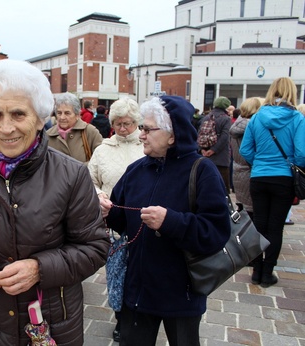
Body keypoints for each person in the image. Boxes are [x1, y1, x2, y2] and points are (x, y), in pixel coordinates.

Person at [0, 59, 110, 345]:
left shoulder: (72, 174)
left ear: (40, 117)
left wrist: (39, 268)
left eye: (18, 114)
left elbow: (95, 247)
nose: (6, 128)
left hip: (51, 324)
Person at [101, 96, 230, 346]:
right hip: (139, 290)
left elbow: (215, 233)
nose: (141, 135)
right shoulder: (137, 170)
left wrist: (170, 221)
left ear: (173, 135)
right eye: (142, 128)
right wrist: (107, 211)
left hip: (182, 295)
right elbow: (123, 221)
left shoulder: (202, 170)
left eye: (148, 129)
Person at [87, 97, 144, 343]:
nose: (123, 128)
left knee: (140, 272)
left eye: (128, 123)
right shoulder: (103, 149)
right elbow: (90, 180)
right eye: (118, 123)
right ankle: (121, 317)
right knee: (117, 272)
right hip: (113, 222)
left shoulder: (146, 146)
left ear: (137, 123)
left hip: (143, 221)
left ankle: (139, 315)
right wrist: (99, 196)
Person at [240, 77, 305, 287]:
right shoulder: (297, 118)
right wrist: (291, 163)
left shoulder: (257, 118)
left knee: (259, 224)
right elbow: (302, 153)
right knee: (275, 227)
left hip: (259, 176)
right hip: (283, 178)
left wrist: (258, 162)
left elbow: (245, 150)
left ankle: (256, 270)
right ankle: (267, 273)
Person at [230, 97, 262, 220]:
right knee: (253, 214)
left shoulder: (236, 125)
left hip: (238, 169)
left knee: (243, 210)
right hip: (249, 170)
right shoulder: (253, 126)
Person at [46, 92, 103, 164]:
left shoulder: (90, 132)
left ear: (77, 115)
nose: (62, 117)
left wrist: (80, 170)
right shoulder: (47, 136)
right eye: (59, 113)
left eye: (67, 113)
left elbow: (101, 159)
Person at [198, 96, 233, 192]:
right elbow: (225, 137)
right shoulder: (226, 119)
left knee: (207, 186)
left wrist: (202, 149)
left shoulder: (206, 117)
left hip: (205, 156)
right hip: (221, 158)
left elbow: (200, 134)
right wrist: (213, 150)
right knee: (222, 188)